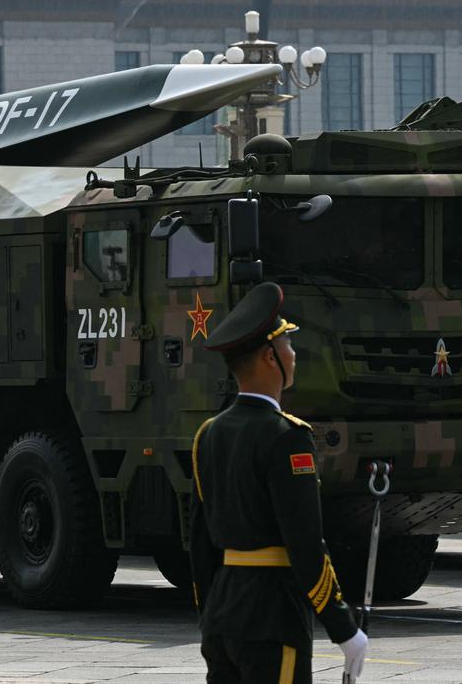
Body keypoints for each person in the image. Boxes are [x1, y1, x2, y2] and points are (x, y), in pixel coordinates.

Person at [190, 282, 368, 683]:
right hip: (272, 617)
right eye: (288, 343)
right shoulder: (287, 437)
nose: (294, 353)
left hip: (221, 618)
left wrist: (210, 615)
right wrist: (343, 628)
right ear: (270, 357)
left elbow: (200, 546)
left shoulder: (208, 434)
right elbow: (305, 543)